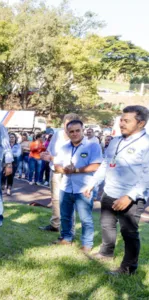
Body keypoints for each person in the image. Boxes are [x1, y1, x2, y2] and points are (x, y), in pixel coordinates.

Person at [84, 105, 149, 275]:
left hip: (131, 196)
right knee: (106, 225)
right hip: (110, 191)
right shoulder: (115, 140)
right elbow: (106, 164)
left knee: (129, 232)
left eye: (127, 121)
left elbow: (146, 176)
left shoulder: (146, 144)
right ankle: (106, 253)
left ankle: (128, 268)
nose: (121, 123)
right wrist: (93, 183)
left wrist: (129, 196)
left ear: (141, 123)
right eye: (121, 119)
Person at [53, 120, 102, 252]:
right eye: (71, 131)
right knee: (65, 215)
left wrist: (76, 170)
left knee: (85, 218)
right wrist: (63, 170)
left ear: (82, 130)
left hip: (84, 187)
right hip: (66, 187)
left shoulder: (93, 146)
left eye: (77, 130)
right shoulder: (64, 147)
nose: (74, 134)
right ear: (67, 132)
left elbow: (96, 165)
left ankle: (87, 243)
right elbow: (56, 165)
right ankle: (66, 238)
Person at [39, 113, 80, 233]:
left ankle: (70, 230)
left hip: (69, 173)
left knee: (68, 201)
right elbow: (50, 150)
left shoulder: (79, 139)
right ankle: (55, 224)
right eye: (65, 124)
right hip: (55, 171)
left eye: (70, 125)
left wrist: (53, 158)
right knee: (55, 198)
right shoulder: (58, 134)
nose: (67, 128)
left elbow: (73, 160)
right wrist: (45, 155)